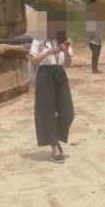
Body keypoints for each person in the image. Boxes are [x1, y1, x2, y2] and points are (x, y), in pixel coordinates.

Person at [29, 13, 75, 163]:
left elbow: (68, 64)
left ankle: (54, 137)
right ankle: (54, 147)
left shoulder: (64, 40)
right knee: (46, 112)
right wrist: (48, 52)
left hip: (60, 73)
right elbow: (33, 61)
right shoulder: (39, 39)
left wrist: (65, 51)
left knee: (68, 113)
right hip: (45, 74)